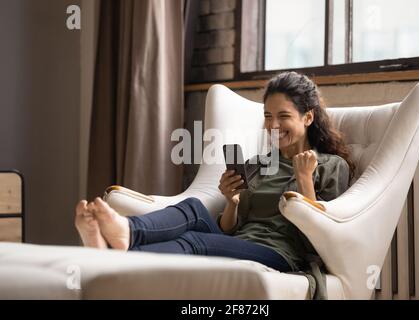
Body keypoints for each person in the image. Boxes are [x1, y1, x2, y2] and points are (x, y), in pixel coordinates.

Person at [75, 71, 354, 299]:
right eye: (268, 116)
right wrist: (232, 202)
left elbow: (319, 241)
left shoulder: (330, 166)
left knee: (193, 242)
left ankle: (112, 257)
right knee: (194, 208)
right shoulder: (259, 162)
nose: (273, 125)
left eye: (284, 116)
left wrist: (305, 180)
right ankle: (127, 231)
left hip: (281, 254)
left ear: (307, 117)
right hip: (239, 241)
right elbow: (229, 228)